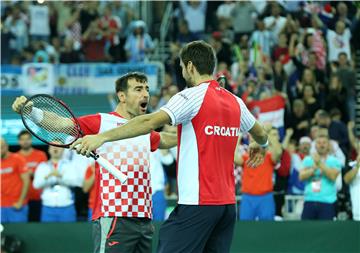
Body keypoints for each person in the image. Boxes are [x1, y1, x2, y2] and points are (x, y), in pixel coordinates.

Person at [71, 41, 269, 253]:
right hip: (228, 208)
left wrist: (101, 138)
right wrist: (262, 144)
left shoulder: (190, 96)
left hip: (197, 204)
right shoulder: (235, 102)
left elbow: (148, 122)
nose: (182, 72)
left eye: (182, 68)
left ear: (190, 66)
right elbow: (260, 132)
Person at [12, 72, 177, 253]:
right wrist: (30, 111)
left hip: (144, 218)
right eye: (138, 89)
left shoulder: (142, 128)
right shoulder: (101, 121)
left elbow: (163, 139)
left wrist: (194, 136)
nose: (145, 94)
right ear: (122, 96)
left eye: (146, 89)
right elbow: (60, 123)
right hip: (114, 215)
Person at [234, 127, 282, 221]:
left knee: (267, 229)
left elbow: (278, 152)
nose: (253, 138)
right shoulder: (246, 157)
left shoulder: (268, 156)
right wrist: (238, 137)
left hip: (265, 197)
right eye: (251, 136)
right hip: (248, 197)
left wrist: (266, 135)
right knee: (246, 228)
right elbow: (234, 158)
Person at [299, 133, 341, 220]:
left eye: (324, 143)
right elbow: (301, 177)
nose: (321, 145)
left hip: (327, 202)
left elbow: (333, 176)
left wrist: (319, 163)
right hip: (309, 200)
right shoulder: (308, 160)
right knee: (306, 230)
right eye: (319, 143)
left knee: (326, 231)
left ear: (328, 145)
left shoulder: (334, 161)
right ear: (315, 145)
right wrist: (312, 169)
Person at [33, 145, 78, 222]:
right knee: (47, 233)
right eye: (53, 146)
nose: (55, 148)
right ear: (49, 150)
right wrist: (47, 176)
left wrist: (61, 176)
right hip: (48, 207)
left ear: (63, 150)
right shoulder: (43, 166)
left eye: (58, 146)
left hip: (66, 206)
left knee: (69, 232)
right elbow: (36, 185)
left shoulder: (70, 165)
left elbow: (76, 183)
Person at [16, 130, 47, 222]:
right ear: (19, 141)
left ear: (31, 140)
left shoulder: (41, 155)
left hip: (38, 197)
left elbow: (45, 174)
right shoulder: (15, 156)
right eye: (22, 139)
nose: (25, 141)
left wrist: (33, 174)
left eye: (27, 139)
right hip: (21, 198)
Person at [0, 137, 30, 223]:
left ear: (7, 146)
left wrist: (20, 201)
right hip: (1, 206)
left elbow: (26, 181)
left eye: (1, 147)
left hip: (16, 205)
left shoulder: (18, 159)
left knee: (19, 234)